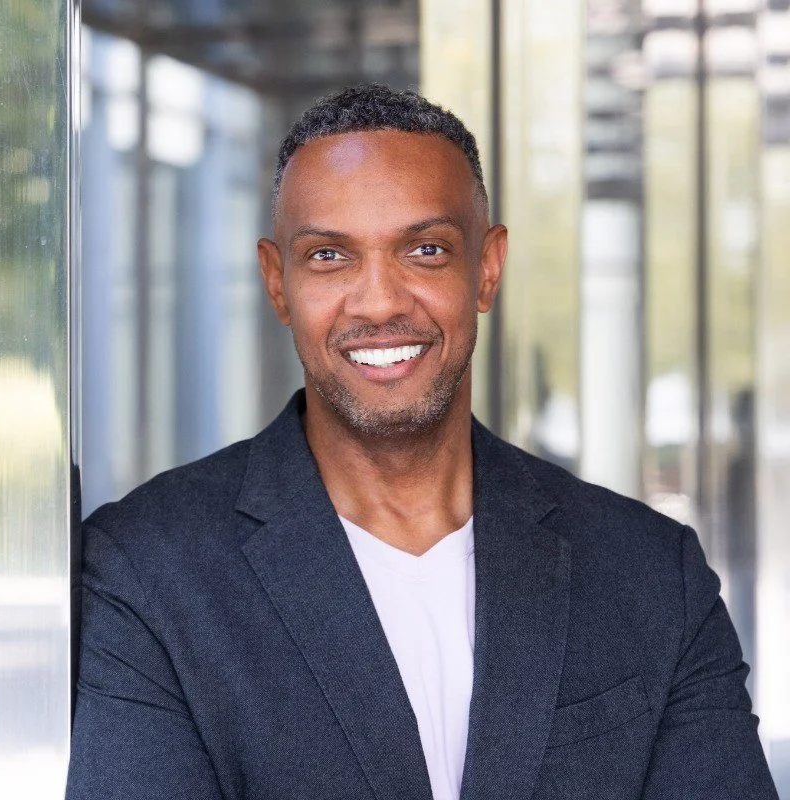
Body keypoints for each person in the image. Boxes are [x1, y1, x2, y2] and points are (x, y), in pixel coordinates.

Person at [66, 85, 778, 800]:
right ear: (277, 282)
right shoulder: (147, 571)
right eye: (329, 257)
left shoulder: (650, 572)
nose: (379, 302)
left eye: (426, 249)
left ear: (487, 269)